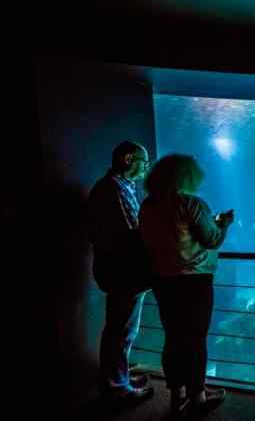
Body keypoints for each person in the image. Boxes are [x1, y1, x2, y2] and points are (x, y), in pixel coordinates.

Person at [138, 154, 234, 417]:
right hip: (193, 280)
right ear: (185, 177)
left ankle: (177, 393)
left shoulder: (148, 205)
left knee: (173, 337)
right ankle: (198, 397)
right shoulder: (190, 202)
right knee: (195, 338)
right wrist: (223, 224)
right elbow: (211, 239)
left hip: (162, 280)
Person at [87, 141, 154, 405]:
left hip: (120, 271)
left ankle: (118, 377)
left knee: (121, 328)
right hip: (123, 272)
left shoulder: (118, 187)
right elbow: (132, 233)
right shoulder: (113, 189)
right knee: (121, 330)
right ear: (128, 158)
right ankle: (117, 386)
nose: (146, 168)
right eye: (143, 162)